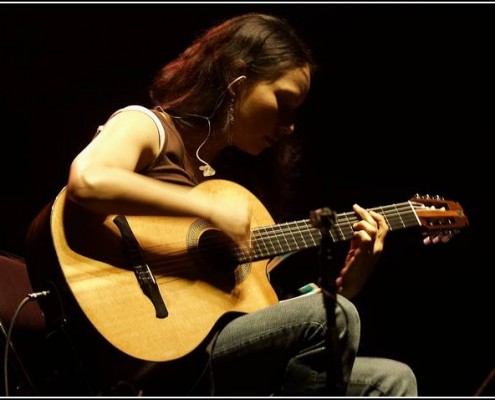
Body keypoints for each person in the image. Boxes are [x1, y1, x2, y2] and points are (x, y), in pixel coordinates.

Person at [26, 12, 417, 396]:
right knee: (338, 319)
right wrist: (207, 211)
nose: (290, 125)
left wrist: (347, 284)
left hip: (217, 352)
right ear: (237, 81)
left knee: (392, 379)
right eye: (284, 102)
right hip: (161, 360)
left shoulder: (226, 183)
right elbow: (89, 181)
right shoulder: (148, 127)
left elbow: (268, 316)